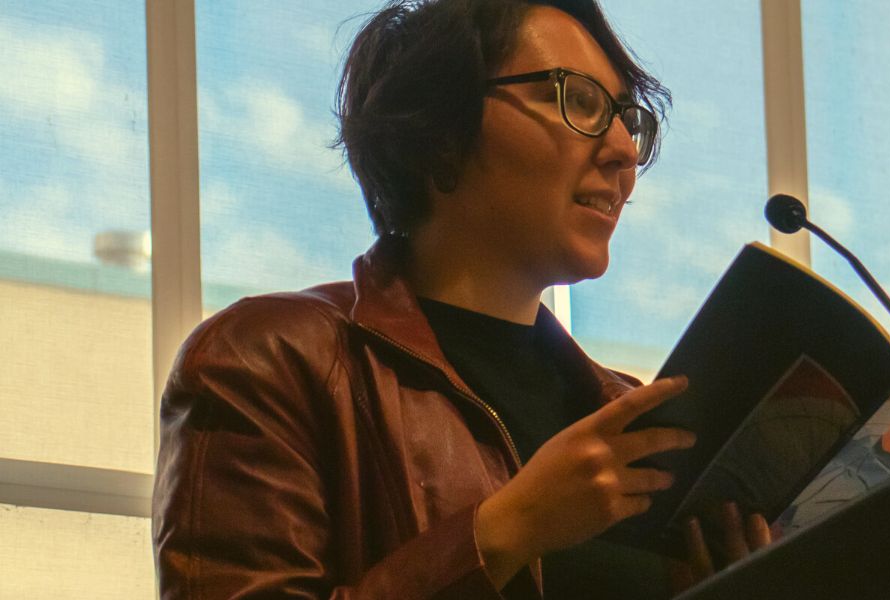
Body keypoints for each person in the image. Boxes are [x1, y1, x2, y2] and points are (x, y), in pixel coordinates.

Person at [151, 0, 767, 597]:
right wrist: (502, 534)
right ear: (439, 135)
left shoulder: (625, 415)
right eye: (578, 101)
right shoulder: (273, 360)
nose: (625, 153)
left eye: (628, 121)